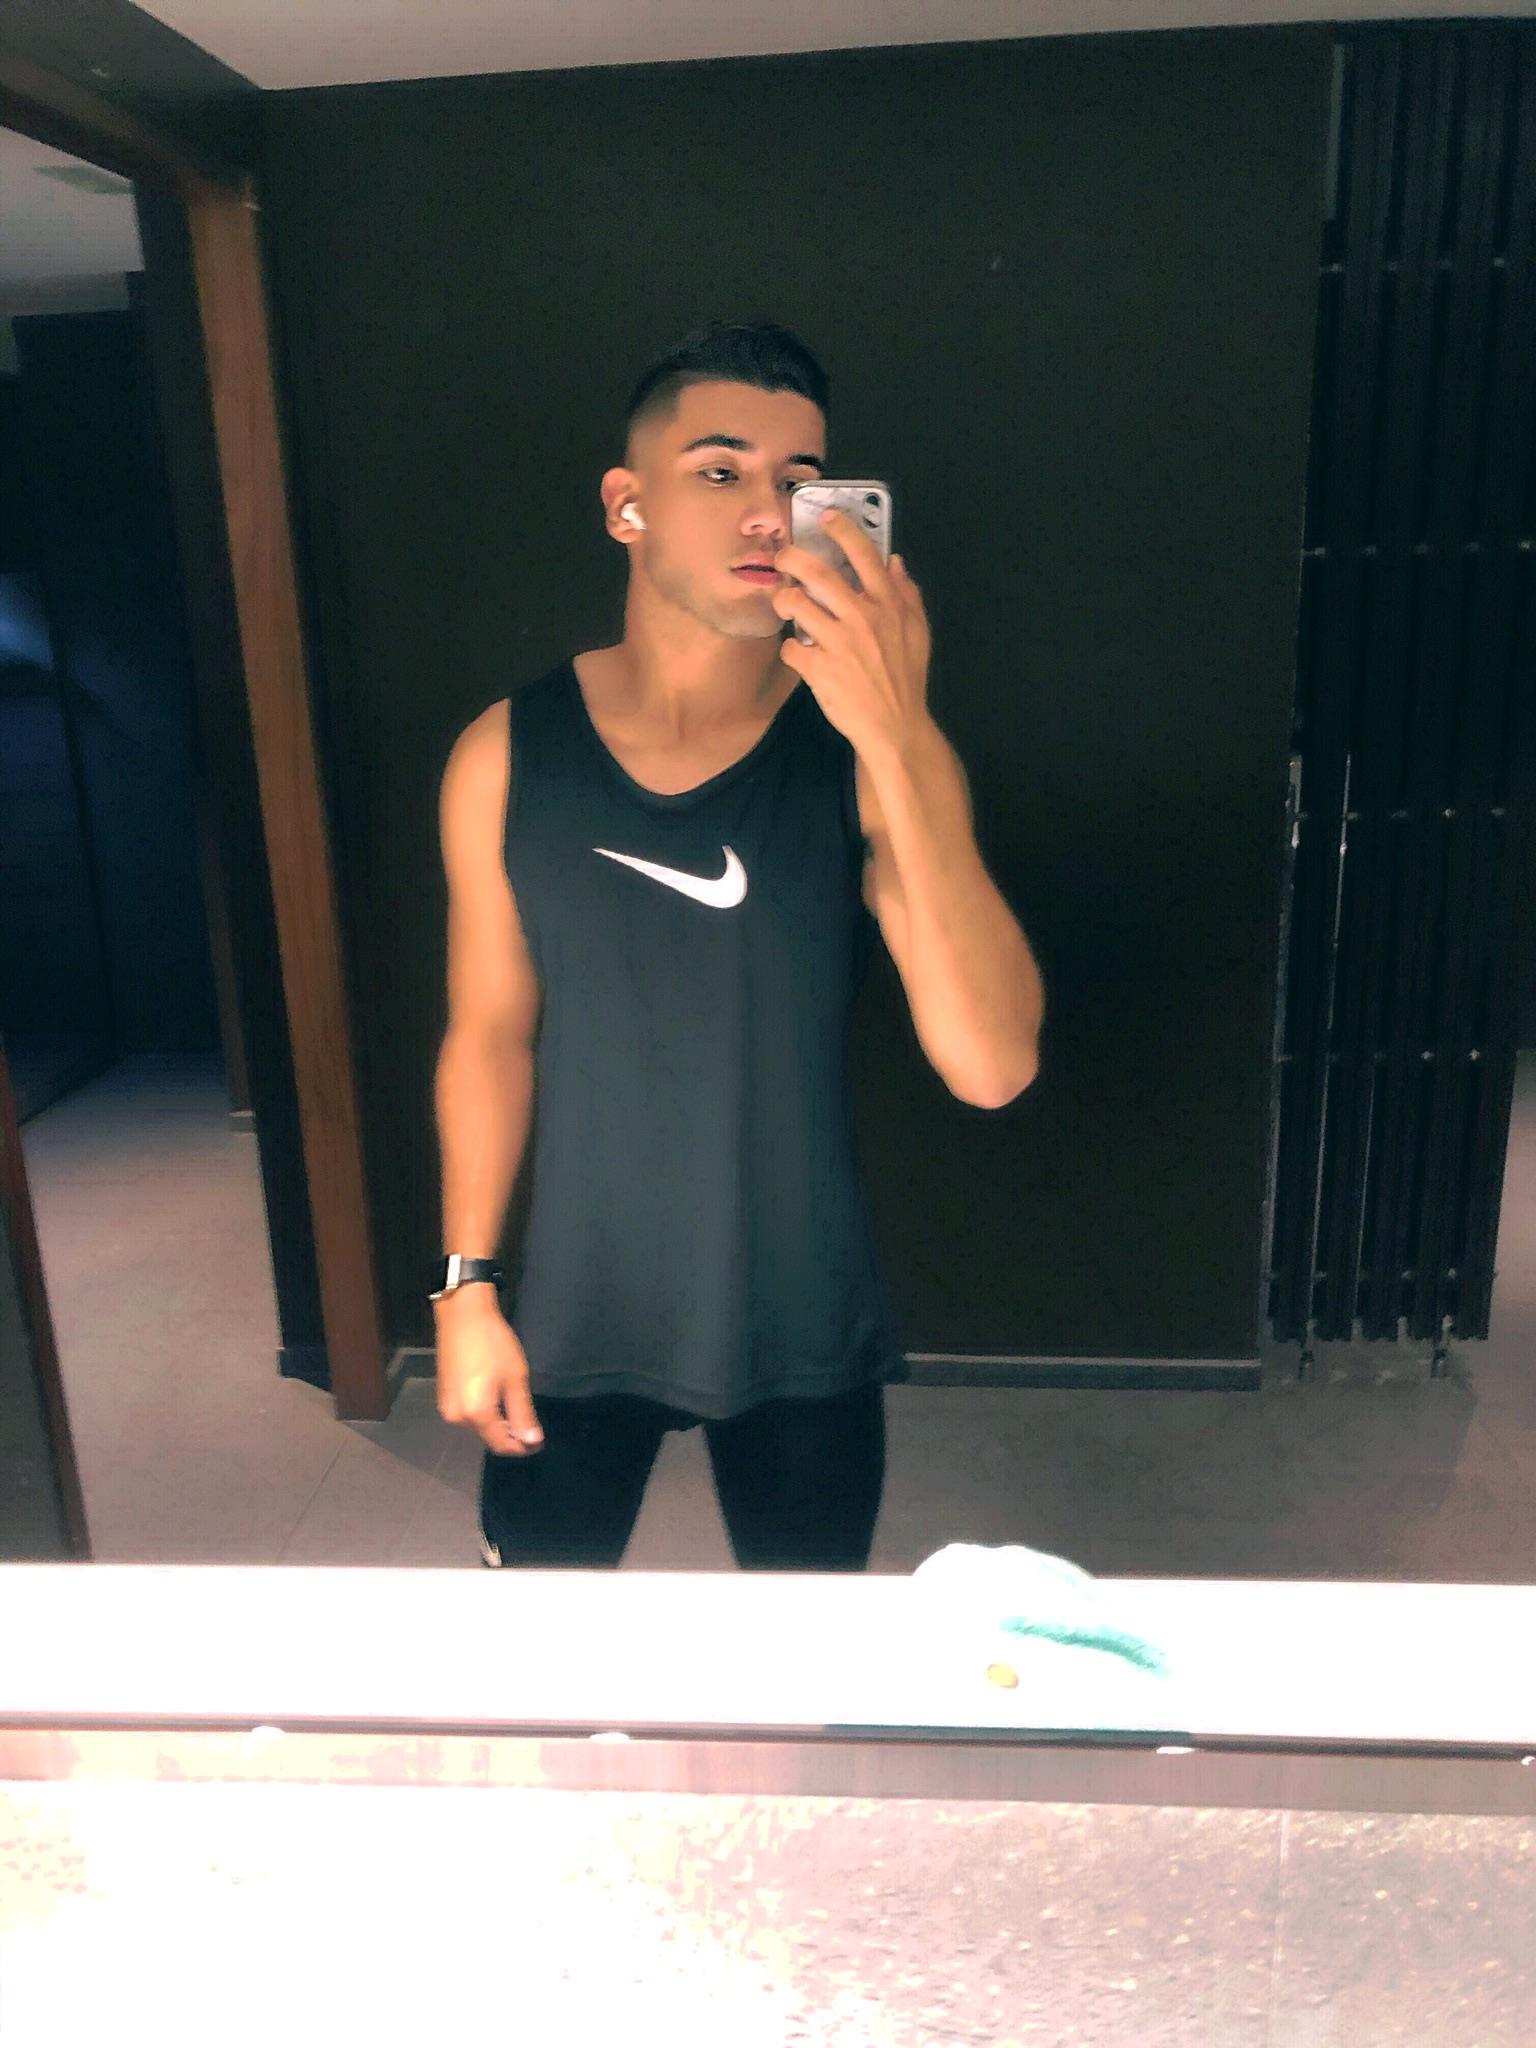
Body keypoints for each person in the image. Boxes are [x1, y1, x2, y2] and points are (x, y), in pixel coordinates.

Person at [431, 319, 1043, 1572]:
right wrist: (465, 1286)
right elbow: (488, 1034)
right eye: (721, 470)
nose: (768, 510)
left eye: (799, 479)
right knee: (533, 1660)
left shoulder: (865, 755)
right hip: (577, 1311)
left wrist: (900, 729)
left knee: (806, 1668)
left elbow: (991, 1064)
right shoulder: (507, 751)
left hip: (800, 1318)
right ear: (628, 504)